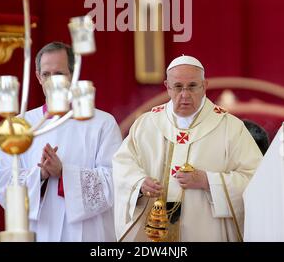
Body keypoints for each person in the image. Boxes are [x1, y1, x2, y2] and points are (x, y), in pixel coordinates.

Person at [112, 55, 262, 242]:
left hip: (206, 231)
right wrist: (139, 183)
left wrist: (209, 181)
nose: (185, 94)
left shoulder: (230, 127)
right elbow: (122, 165)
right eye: (177, 87)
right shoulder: (146, 124)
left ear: (204, 85)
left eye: (192, 86)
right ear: (167, 86)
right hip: (153, 231)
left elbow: (256, 180)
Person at [0, 41, 122, 242]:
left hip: (87, 233)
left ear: (73, 76)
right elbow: (2, 180)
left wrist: (64, 174)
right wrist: (41, 175)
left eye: (60, 74)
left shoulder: (102, 123)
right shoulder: (18, 127)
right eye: (46, 74)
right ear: (38, 77)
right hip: (38, 231)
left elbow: (116, 181)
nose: (53, 82)